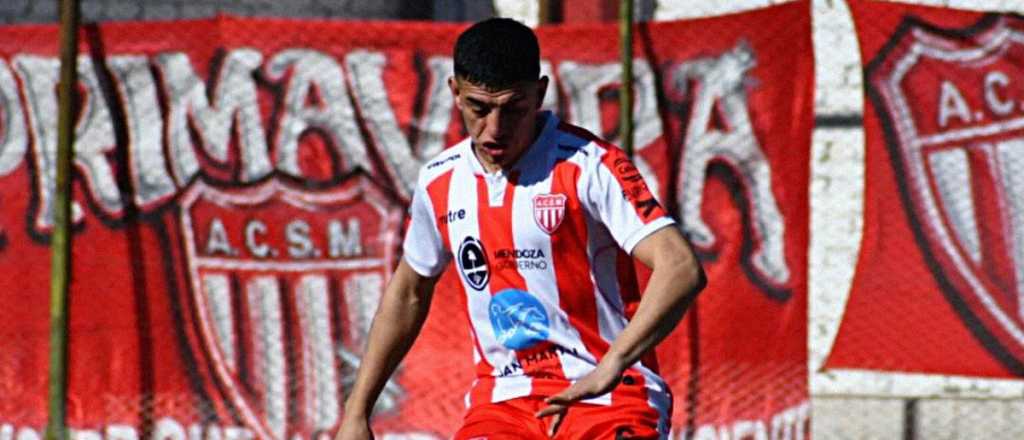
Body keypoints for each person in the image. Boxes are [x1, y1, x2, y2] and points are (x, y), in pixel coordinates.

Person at [336, 17, 705, 440]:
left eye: (513, 109)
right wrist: (356, 412)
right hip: (503, 404)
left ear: (540, 94)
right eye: (479, 108)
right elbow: (408, 292)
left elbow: (680, 268)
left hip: (608, 396)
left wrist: (613, 363)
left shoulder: (591, 165)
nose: (495, 129)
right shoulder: (440, 181)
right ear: (455, 92)